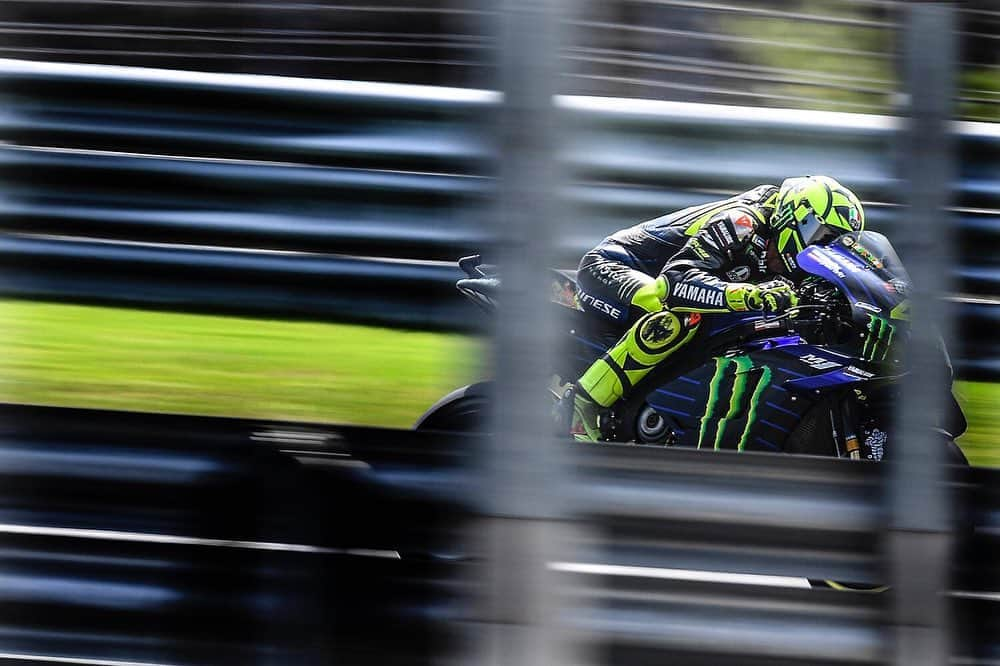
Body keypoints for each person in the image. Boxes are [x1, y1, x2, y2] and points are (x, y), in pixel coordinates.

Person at [570, 175, 865, 441]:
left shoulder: (790, 263)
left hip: (668, 285)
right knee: (681, 314)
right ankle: (582, 407)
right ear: (794, 217)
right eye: (821, 237)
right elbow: (676, 281)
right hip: (613, 268)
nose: (822, 250)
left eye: (834, 246)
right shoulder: (743, 221)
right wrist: (748, 295)